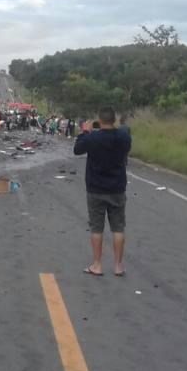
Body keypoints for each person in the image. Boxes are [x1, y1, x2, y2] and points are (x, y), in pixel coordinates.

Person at [74, 107, 132, 277]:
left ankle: (97, 264)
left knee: (96, 228)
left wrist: (85, 132)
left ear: (99, 119)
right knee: (118, 228)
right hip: (117, 188)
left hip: (95, 188)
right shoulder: (123, 137)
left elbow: (77, 149)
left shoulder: (92, 138)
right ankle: (118, 265)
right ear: (114, 119)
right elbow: (127, 143)